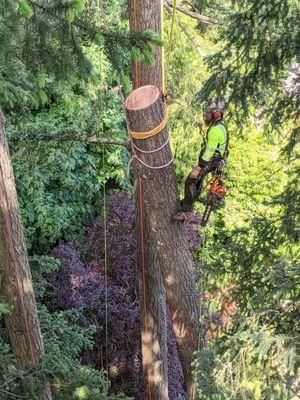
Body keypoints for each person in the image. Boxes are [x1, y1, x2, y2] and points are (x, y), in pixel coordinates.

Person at [174, 99, 229, 223]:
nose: (205, 117)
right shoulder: (219, 126)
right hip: (214, 161)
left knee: (191, 180)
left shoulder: (215, 130)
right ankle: (188, 204)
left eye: (207, 115)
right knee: (197, 182)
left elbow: (209, 152)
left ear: (215, 115)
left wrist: (198, 167)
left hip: (211, 161)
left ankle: (187, 211)